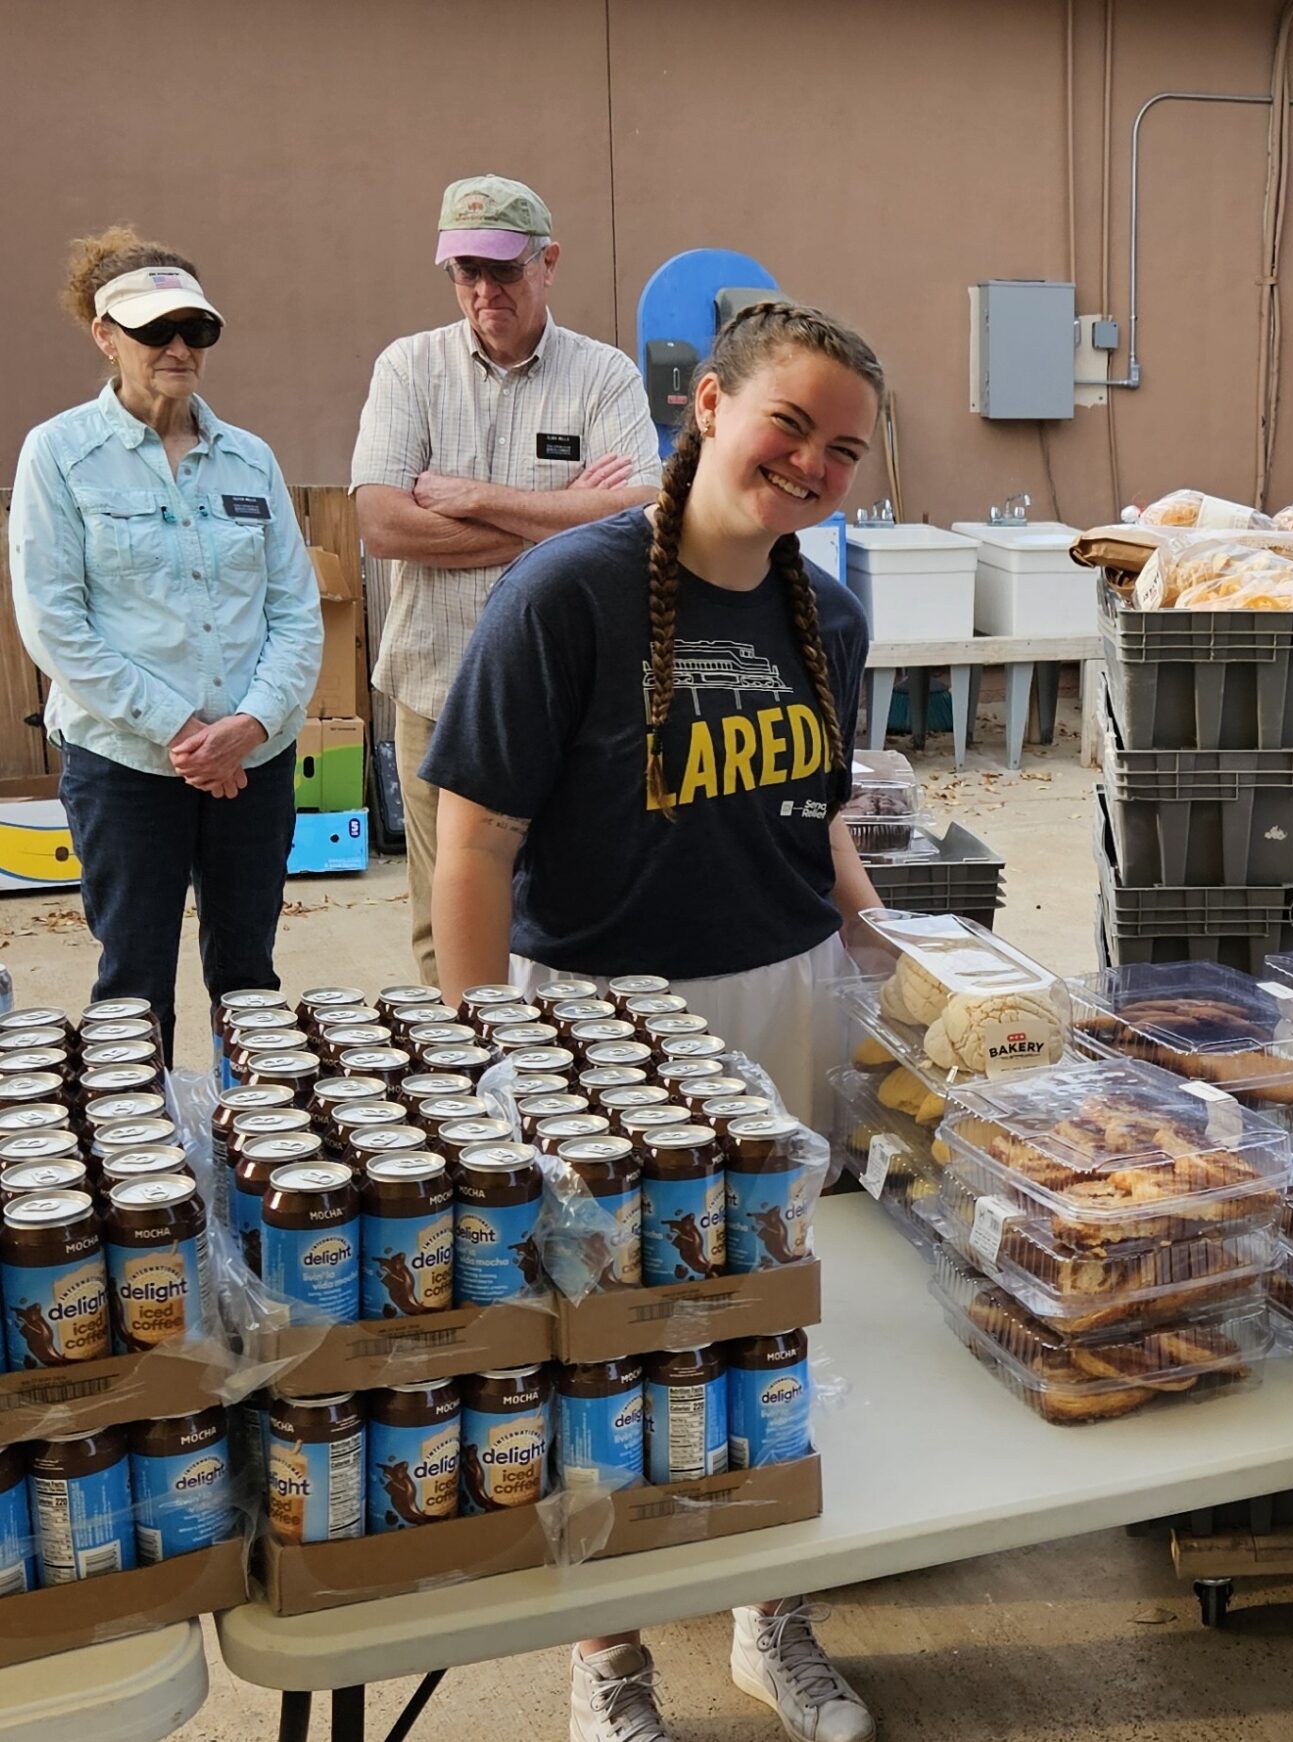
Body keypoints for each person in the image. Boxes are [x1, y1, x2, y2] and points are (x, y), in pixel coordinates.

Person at [423, 301, 886, 1742]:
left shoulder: (836, 615)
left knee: (768, 1326)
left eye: (845, 448)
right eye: (791, 424)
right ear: (706, 408)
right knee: (602, 1338)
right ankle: (607, 1648)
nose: (811, 462)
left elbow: (815, 813)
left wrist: (878, 937)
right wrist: (478, 1041)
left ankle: (769, 1607)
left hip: (784, 1000)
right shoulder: (571, 590)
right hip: (599, 1027)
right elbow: (473, 837)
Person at [8, 228, 321, 1052]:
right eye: (155, 331)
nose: (178, 347)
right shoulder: (61, 455)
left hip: (253, 762)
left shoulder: (250, 461)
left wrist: (247, 727)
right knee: (134, 979)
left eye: (197, 330)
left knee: (250, 973)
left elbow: (295, 614)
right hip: (127, 766)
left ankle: (251, 1153)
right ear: (105, 336)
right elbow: (53, 622)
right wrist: (184, 732)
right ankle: (144, 1165)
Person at [352, 172, 660, 986]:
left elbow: (639, 516)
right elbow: (383, 525)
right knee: (444, 919)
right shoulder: (409, 369)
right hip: (436, 686)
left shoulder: (604, 376)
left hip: (571, 699)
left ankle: (567, 1082)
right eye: (466, 273)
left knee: (568, 903)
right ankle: (467, 1084)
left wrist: (481, 499)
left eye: (505, 270)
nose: (485, 291)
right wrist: (555, 514)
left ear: (548, 261)